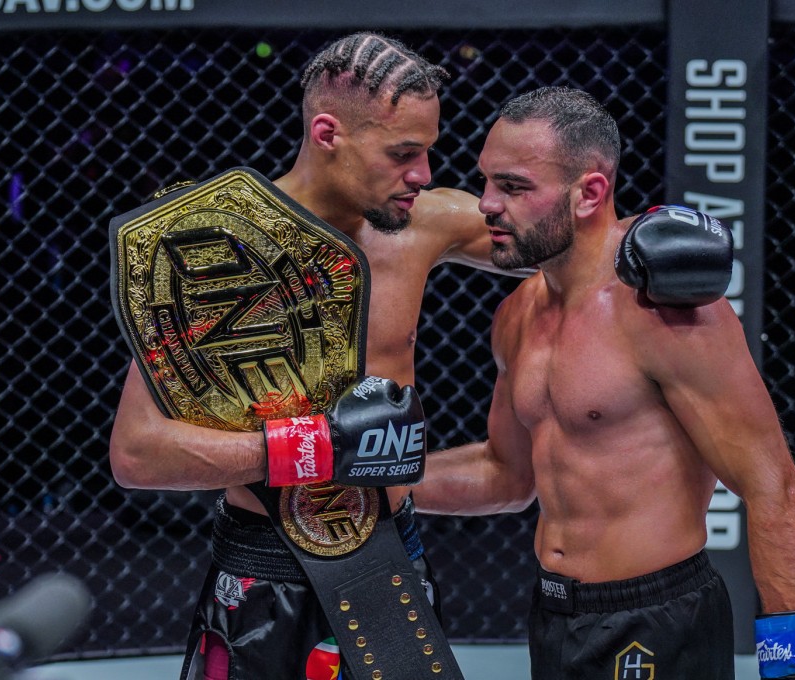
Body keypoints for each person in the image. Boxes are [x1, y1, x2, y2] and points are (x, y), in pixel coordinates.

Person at [108, 32, 515, 680]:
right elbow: (136, 452)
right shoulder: (218, 254)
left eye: (429, 151)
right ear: (328, 133)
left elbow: (551, 238)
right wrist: (313, 447)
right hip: (262, 564)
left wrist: (640, 242)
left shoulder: (424, 224)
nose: (424, 174)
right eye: (403, 153)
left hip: (388, 556)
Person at [412, 86, 795, 680]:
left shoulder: (665, 312)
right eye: (484, 182)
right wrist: (372, 482)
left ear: (590, 193)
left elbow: (772, 486)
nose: (485, 205)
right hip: (553, 618)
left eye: (512, 187)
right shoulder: (515, 317)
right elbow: (506, 476)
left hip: (660, 621)